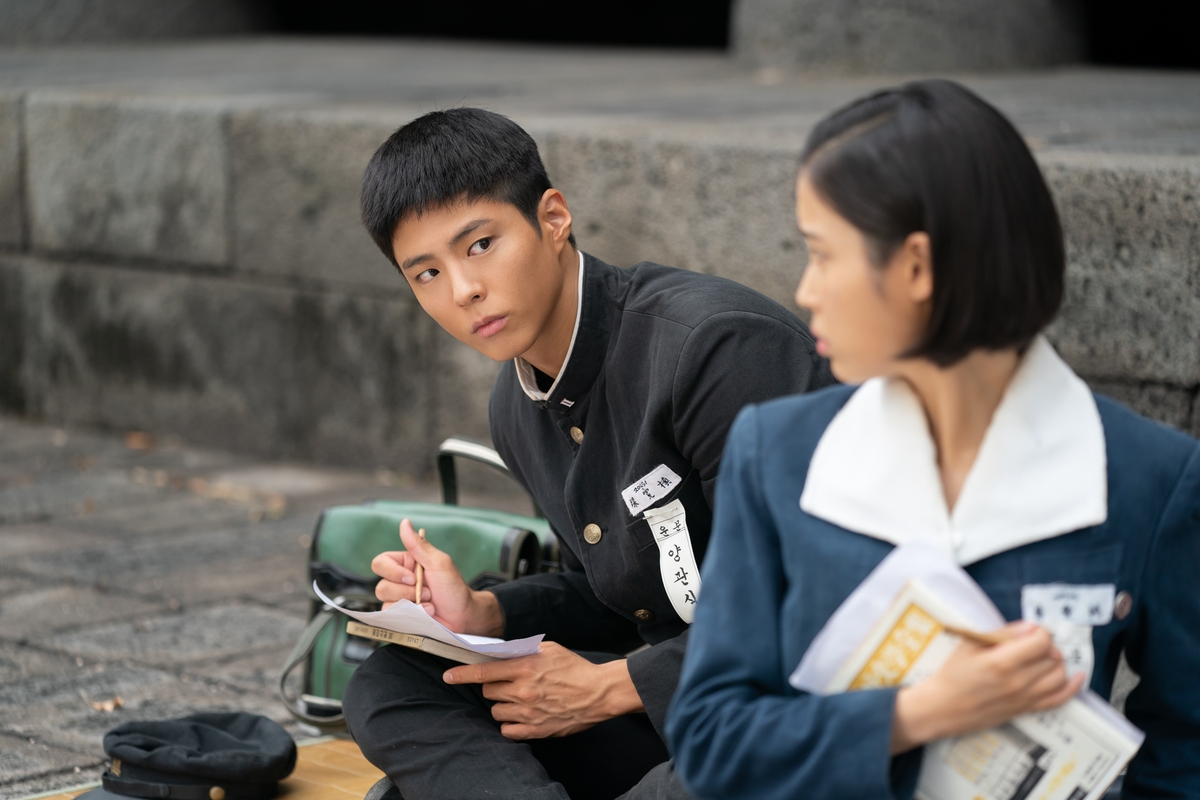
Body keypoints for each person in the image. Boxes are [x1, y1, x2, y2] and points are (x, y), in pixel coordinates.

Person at [666, 79, 1200, 800]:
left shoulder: (1149, 477)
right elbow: (708, 741)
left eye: (823, 254)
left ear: (916, 266)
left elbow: (1187, 748)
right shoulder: (779, 452)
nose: (804, 290)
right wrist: (919, 713)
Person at [341, 107, 833, 800]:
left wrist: (609, 688)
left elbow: (813, 601)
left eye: (479, 244)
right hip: (672, 714)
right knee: (394, 679)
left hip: (789, 710)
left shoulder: (714, 348)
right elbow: (617, 596)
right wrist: (488, 617)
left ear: (552, 217)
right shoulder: (516, 404)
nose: (462, 291)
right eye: (425, 273)